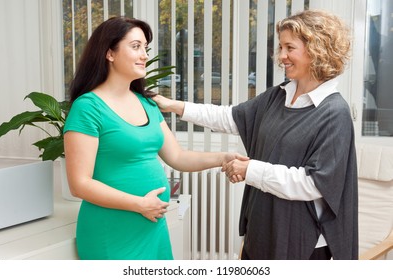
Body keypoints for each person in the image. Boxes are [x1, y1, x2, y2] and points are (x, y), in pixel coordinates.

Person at [153, 9, 358, 260]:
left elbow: (313, 184)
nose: (281, 56)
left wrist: (249, 170)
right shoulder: (278, 95)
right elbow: (228, 117)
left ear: (317, 49)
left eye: (289, 48)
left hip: (302, 242)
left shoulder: (334, 112)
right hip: (263, 230)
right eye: (281, 47)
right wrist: (174, 106)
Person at [63, 16, 247, 260]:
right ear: (110, 53)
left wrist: (223, 157)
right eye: (136, 46)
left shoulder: (147, 103)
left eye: (145, 48)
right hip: (111, 230)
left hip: (151, 227)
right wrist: (139, 204)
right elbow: (80, 184)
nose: (144, 55)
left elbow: (178, 157)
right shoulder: (88, 108)